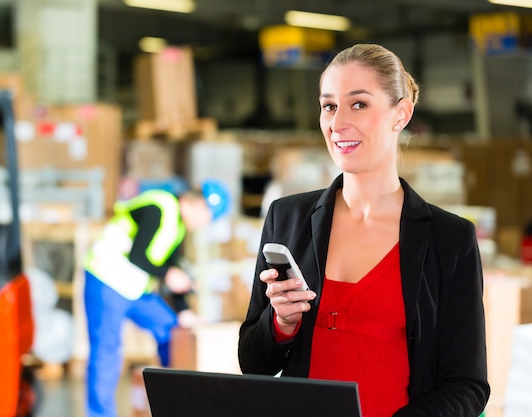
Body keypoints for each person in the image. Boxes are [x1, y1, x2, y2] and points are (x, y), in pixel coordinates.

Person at [238, 43, 490, 417]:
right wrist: (281, 322)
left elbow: (467, 385)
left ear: (400, 114)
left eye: (359, 104)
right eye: (329, 106)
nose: (338, 123)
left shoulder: (449, 240)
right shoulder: (287, 218)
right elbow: (253, 363)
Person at [83, 179, 230, 417]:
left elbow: (171, 265)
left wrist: (183, 310)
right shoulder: (159, 207)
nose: (205, 224)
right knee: (107, 351)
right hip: (106, 280)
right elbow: (138, 255)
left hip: (134, 288)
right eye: (208, 217)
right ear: (197, 204)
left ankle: (174, 404)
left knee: (171, 330)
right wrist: (168, 274)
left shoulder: (178, 226)